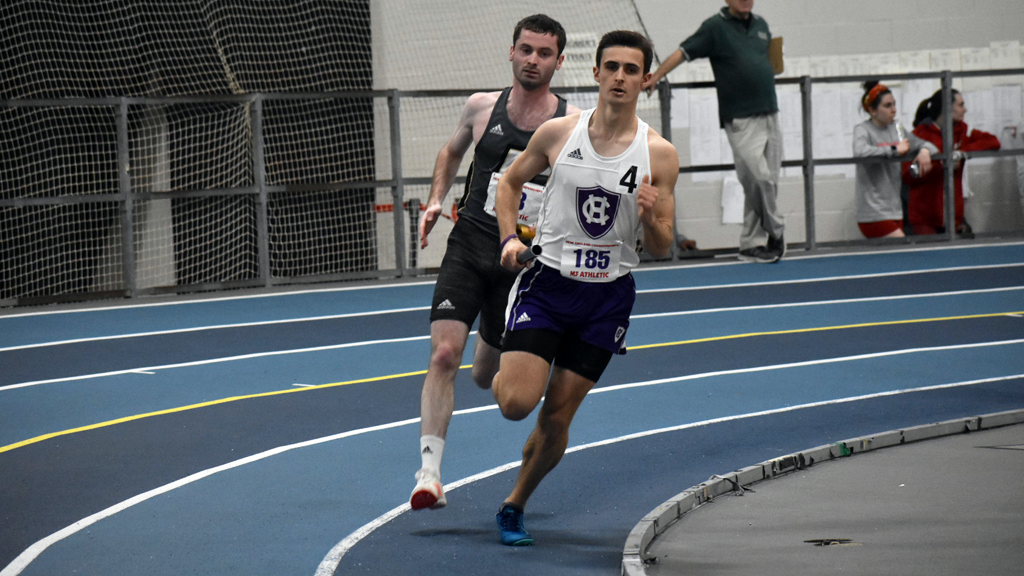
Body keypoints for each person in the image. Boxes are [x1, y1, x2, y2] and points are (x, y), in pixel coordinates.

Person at [491, 30, 678, 546]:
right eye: (611, 67)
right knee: (515, 404)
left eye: (631, 69)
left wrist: (650, 218)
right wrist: (510, 238)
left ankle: (515, 504)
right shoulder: (558, 134)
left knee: (557, 415)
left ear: (644, 80)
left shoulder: (658, 154)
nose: (620, 77)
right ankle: (496, 341)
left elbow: (662, 244)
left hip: (606, 298)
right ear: (595, 73)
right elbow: (508, 183)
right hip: (549, 283)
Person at [410, 14, 580, 511]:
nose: (533, 60)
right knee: (444, 355)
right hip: (470, 245)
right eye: (525, 50)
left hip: (523, 261)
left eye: (544, 53)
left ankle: (493, 333)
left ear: (559, 61)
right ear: (511, 52)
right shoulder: (482, 107)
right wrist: (436, 199)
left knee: (486, 377)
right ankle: (429, 474)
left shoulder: (570, 127)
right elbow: (451, 150)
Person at [646, 0, 784, 263]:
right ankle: (777, 231)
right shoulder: (715, 28)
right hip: (740, 118)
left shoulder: (761, 25)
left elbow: (771, 62)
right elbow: (682, 52)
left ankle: (751, 244)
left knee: (766, 182)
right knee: (759, 178)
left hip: (771, 113)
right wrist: (656, 76)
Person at [907, 89, 1001, 236]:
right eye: (961, 105)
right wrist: (942, 165)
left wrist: (961, 152)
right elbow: (906, 175)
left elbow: (993, 141)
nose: (965, 109)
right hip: (925, 217)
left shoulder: (961, 130)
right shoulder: (921, 135)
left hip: (953, 216)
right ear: (947, 108)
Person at [852, 81, 935, 238]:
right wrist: (893, 150)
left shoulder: (896, 129)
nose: (894, 110)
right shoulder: (862, 130)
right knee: (903, 249)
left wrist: (925, 151)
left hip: (895, 209)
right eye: (887, 106)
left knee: (889, 259)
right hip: (873, 211)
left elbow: (924, 143)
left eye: (894, 104)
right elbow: (860, 152)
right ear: (872, 110)